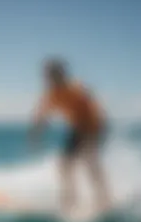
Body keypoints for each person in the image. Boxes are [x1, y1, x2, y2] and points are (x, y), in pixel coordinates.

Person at [30, 58, 111, 213]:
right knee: (64, 165)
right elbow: (42, 115)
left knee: (90, 162)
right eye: (46, 75)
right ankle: (70, 200)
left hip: (92, 127)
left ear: (60, 74)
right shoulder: (52, 94)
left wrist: (102, 127)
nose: (47, 78)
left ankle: (104, 199)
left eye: (50, 74)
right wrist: (36, 133)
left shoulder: (75, 87)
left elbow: (94, 105)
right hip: (76, 129)